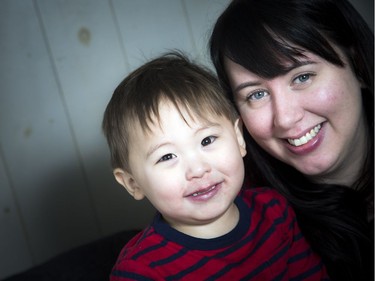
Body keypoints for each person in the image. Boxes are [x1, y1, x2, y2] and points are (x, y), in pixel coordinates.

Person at [102, 52, 329, 280]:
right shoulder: (140, 272)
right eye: (167, 156)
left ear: (239, 139)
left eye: (207, 141)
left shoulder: (275, 212)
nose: (198, 170)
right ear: (133, 183)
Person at [209, 0, 374, 280]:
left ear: (357, 64)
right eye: (256, 94)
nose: (284, 119)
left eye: (303, 76)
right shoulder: (246, 225)